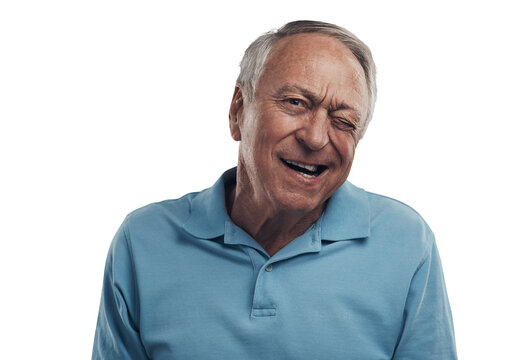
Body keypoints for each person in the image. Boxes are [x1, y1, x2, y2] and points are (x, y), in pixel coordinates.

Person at [92, 20, 457, 359]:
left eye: (343, 120)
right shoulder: (142, 242)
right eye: (296, 103)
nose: (316, 138)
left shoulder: (406, 243)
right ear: (238, 110)